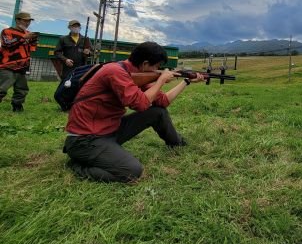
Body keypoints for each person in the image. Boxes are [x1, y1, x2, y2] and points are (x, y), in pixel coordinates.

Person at [63, 41, 205, 183]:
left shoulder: (132, 73)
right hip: (84, 139)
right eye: (156, 67)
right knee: (131, 171)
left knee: (158, 112)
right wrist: (160, 81)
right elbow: (141, 104)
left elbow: (163, 101)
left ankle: (176, 144)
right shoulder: (115, 72)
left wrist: (186, 81)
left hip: (108, 131)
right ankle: (77, 166)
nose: (158, 70)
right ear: (145, 64)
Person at [0, 12, 39, 112]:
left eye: (29, 21)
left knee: (22, 89)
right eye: (25, 20)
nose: (27, 23)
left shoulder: (28, 33)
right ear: (17, 20)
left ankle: (17, 107)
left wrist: (33, 42)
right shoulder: (7, 31)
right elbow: (7, 44)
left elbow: (32, 49)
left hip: (23, 66)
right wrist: (24, 38)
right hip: (7, 65)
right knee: (2, 88)